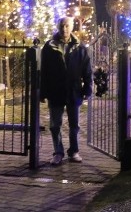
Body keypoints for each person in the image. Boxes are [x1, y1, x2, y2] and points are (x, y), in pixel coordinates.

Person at [40, 16, 92, 165]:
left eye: (67, 26)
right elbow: (44, 71)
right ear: (58, 26)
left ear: (72, 27)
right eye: (62, 25)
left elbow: (86, 70)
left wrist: (87, 88)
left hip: (73, 90)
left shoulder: (80, 47)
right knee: (55, 124)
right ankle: (58, 152)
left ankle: (74, 151)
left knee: (74, 124)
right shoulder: (49, 47)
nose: (64, 29)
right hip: (55, 91)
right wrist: (43, 92)